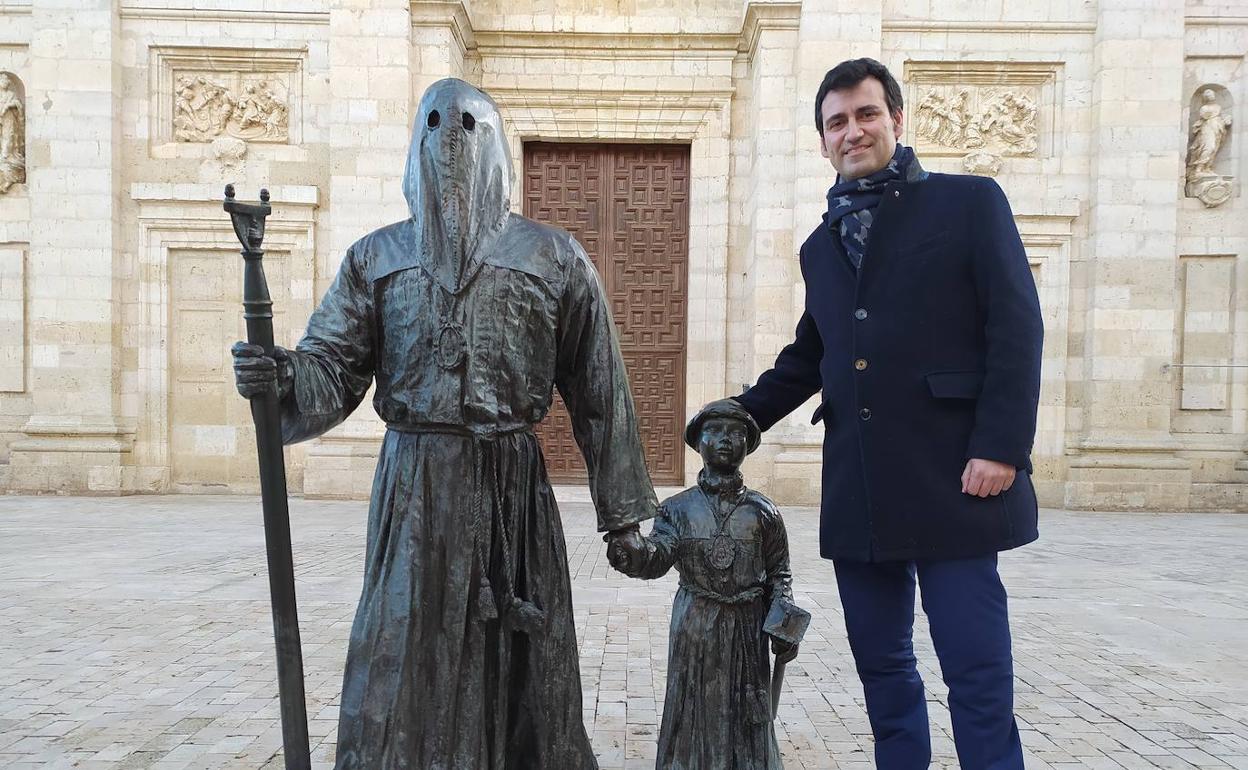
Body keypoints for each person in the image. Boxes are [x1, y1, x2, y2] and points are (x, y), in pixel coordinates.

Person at [232, 78, 654, 769]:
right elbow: (333, 365)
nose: (450, 142)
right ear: (414, 147)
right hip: (415, 491)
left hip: (511, 491)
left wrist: (624, 515)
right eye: (434, 124)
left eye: (467, 126)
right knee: (403, 651)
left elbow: (599, 386)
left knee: (522, 665)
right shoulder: (377, 258)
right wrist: (282, 377)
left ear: (496, 150)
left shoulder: (553, 257)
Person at [729, 58, 1043, 769]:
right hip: (861, 486)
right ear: (822, 141)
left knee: (975, 667)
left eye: (866, 114)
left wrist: (1000, 446)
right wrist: (739, 415)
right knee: (884, 666)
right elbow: (812, 355)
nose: (852, 131)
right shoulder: (821, 244)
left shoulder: (969, 204)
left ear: (896, 121)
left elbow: (1017, 327)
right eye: (836, 121)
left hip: (958, 478)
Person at [612, 400, 805, 770]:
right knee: (692, 703)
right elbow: (658, 556)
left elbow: (780, 573)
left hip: (747, 627)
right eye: (713, 431)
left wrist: (784, 628)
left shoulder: (764, 512)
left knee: (745, 708)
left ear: (748, 444)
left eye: (736, 433)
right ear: (697, 441)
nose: (725, 440)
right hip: (695, 624)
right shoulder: (676, 509)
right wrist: (634, 553)